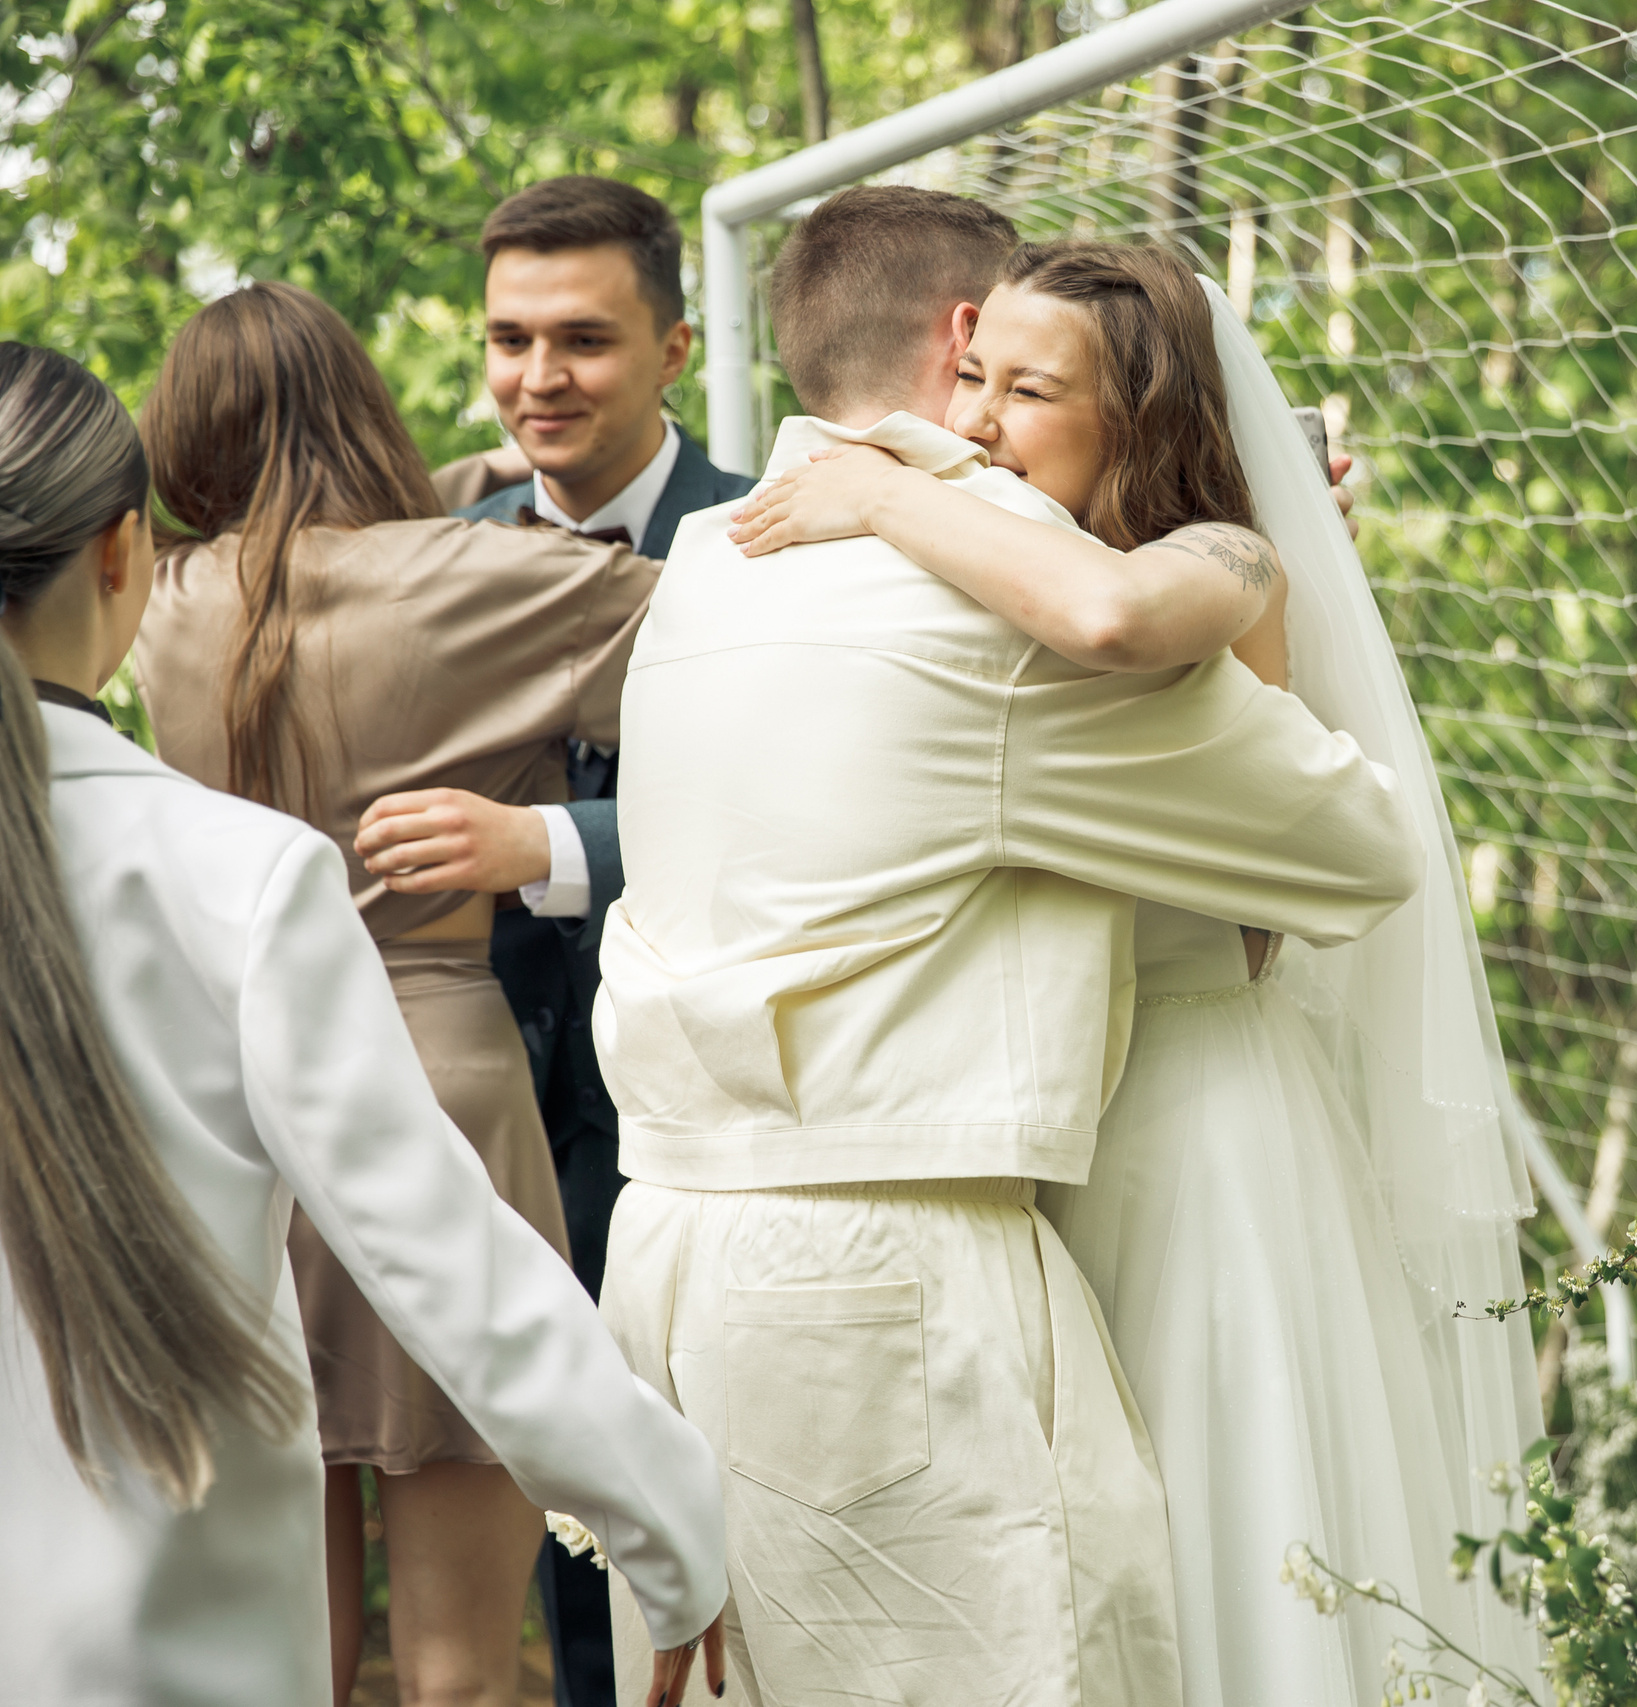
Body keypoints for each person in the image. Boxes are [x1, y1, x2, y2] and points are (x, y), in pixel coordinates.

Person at [594, 184, 1424, 1707]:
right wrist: (1246, 579)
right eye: (987, 375)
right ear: (963, 337)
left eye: (1030, 391)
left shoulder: (709, 557)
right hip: (896, 1277)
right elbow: (1358, 846)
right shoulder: (1003, 603)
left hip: (674, 1269)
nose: (989, 420)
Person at [0, 340, 727, 1707]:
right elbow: (450, 1264)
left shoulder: (196, 666)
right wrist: (672, 1529)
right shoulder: (243, 879)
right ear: (119, 553)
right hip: (162, 1650)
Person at [127, 280, 675, 1707]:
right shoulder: (493, 578)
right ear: (362, 407)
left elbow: (295, 556)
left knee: (281, 1658)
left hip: (229, 1112)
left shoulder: (159, 602)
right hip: (437, 1097)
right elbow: (737, 650)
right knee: (462, 1671)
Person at [353, 176, 756, 1705]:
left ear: (675, 347)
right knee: (526, 1541)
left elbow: (811, 809)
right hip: (479, 1109)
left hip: (706, 1117)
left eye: (583, 339)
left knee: (702, 1533)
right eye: (509, 340)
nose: (539, 378)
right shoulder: (430, 549)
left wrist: (553, 845)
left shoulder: (767, 540)